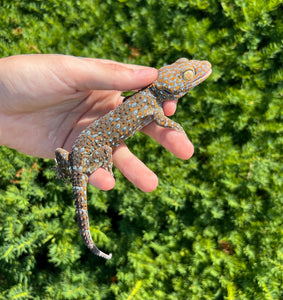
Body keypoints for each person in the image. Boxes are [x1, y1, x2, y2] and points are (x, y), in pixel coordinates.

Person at [0, 54, 194, 192]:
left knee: (102, 154)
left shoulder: (150, 99)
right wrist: (176, 126)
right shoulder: (151, 100)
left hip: (87, 141)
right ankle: (66, 170)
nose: (193, 73)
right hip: (84, 145)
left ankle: (66, 170)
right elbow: (160, 119)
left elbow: (160, 118)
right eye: (186, 74)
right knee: (105, 152)